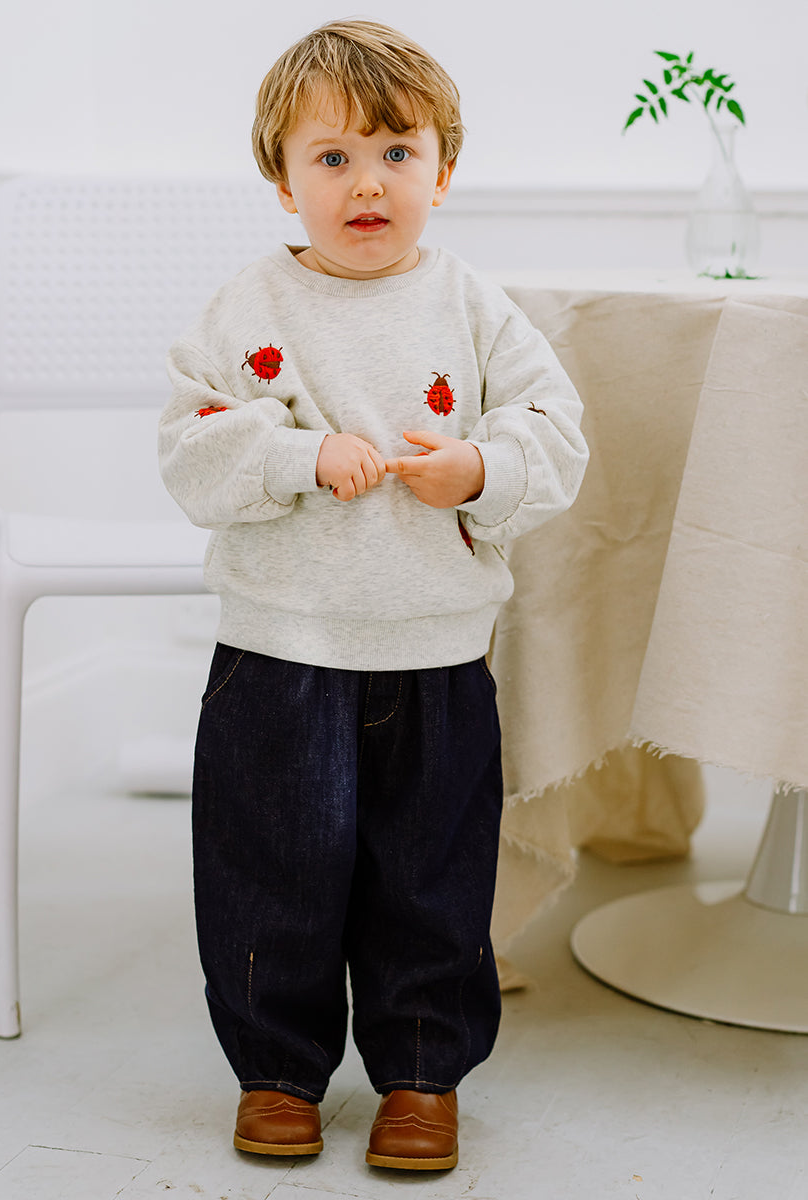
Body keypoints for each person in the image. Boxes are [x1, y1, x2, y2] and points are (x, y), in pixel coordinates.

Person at [158, 19, 588, 1172]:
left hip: (436, 655)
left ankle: (420, 1075)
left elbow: (555, 432)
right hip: (280, 652)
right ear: (282, 178)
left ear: (442, 173)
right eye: (333, 156)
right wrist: (300, 456)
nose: (367, 183)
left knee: (430, 879)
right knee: (272, 871)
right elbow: (191, 452)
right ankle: (277, 1070)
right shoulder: (244, 308)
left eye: (398, 153)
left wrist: (480, 468)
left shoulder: (477, 307)